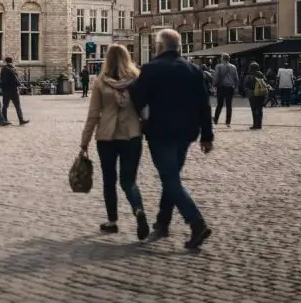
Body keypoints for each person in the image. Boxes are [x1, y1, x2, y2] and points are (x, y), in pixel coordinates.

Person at [130, 29, 214, 249]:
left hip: (161, 132)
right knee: (172, 175)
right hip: (186, 132)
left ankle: (196, 222)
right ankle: (163, 221)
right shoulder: (193, 70)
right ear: (178, 47)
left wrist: (142, 114)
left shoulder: (151, 69)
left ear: (159, 46)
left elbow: (137, 97)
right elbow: (204, 104)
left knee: (170, 178)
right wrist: (207, 135)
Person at [79, 44, 149, 240]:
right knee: (129, 181)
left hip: (106, 137)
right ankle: (138, 210)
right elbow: (145, 107)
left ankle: (112, 221)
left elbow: (93, 115)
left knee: (109, 180)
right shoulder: (137, 80)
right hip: (132, 135)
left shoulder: (101, 82)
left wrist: (84, 141)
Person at [0, 57, 29, 125]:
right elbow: (15, 79)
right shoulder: (12, 68)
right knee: (17, 105)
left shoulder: (4, 69)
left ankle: (4, 119)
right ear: (12, 61)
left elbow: (2, 79)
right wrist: (19, 84)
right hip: (14, 90)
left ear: (5, 62)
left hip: (6, 90)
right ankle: (21, 120)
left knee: (5, 106)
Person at [212, 54, 238, 127]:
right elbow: (236, 79)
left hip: (221, 87)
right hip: (230, 88)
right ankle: (228, 122)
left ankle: (216, 120)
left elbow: (216, 77)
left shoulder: (218, 66)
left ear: (222, 58)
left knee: (219, 105)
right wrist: (235, 87)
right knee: (229, 105)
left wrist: (214, 85)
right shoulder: (233, 67)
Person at [246, 62, 269, 129]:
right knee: (260, 109)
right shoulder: (262, 74)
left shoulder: (250, 75)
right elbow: (266, 83)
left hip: (253, 94)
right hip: (261, 94)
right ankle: (260, 124)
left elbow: (246, 84)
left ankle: (255, 124)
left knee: (254, 109)